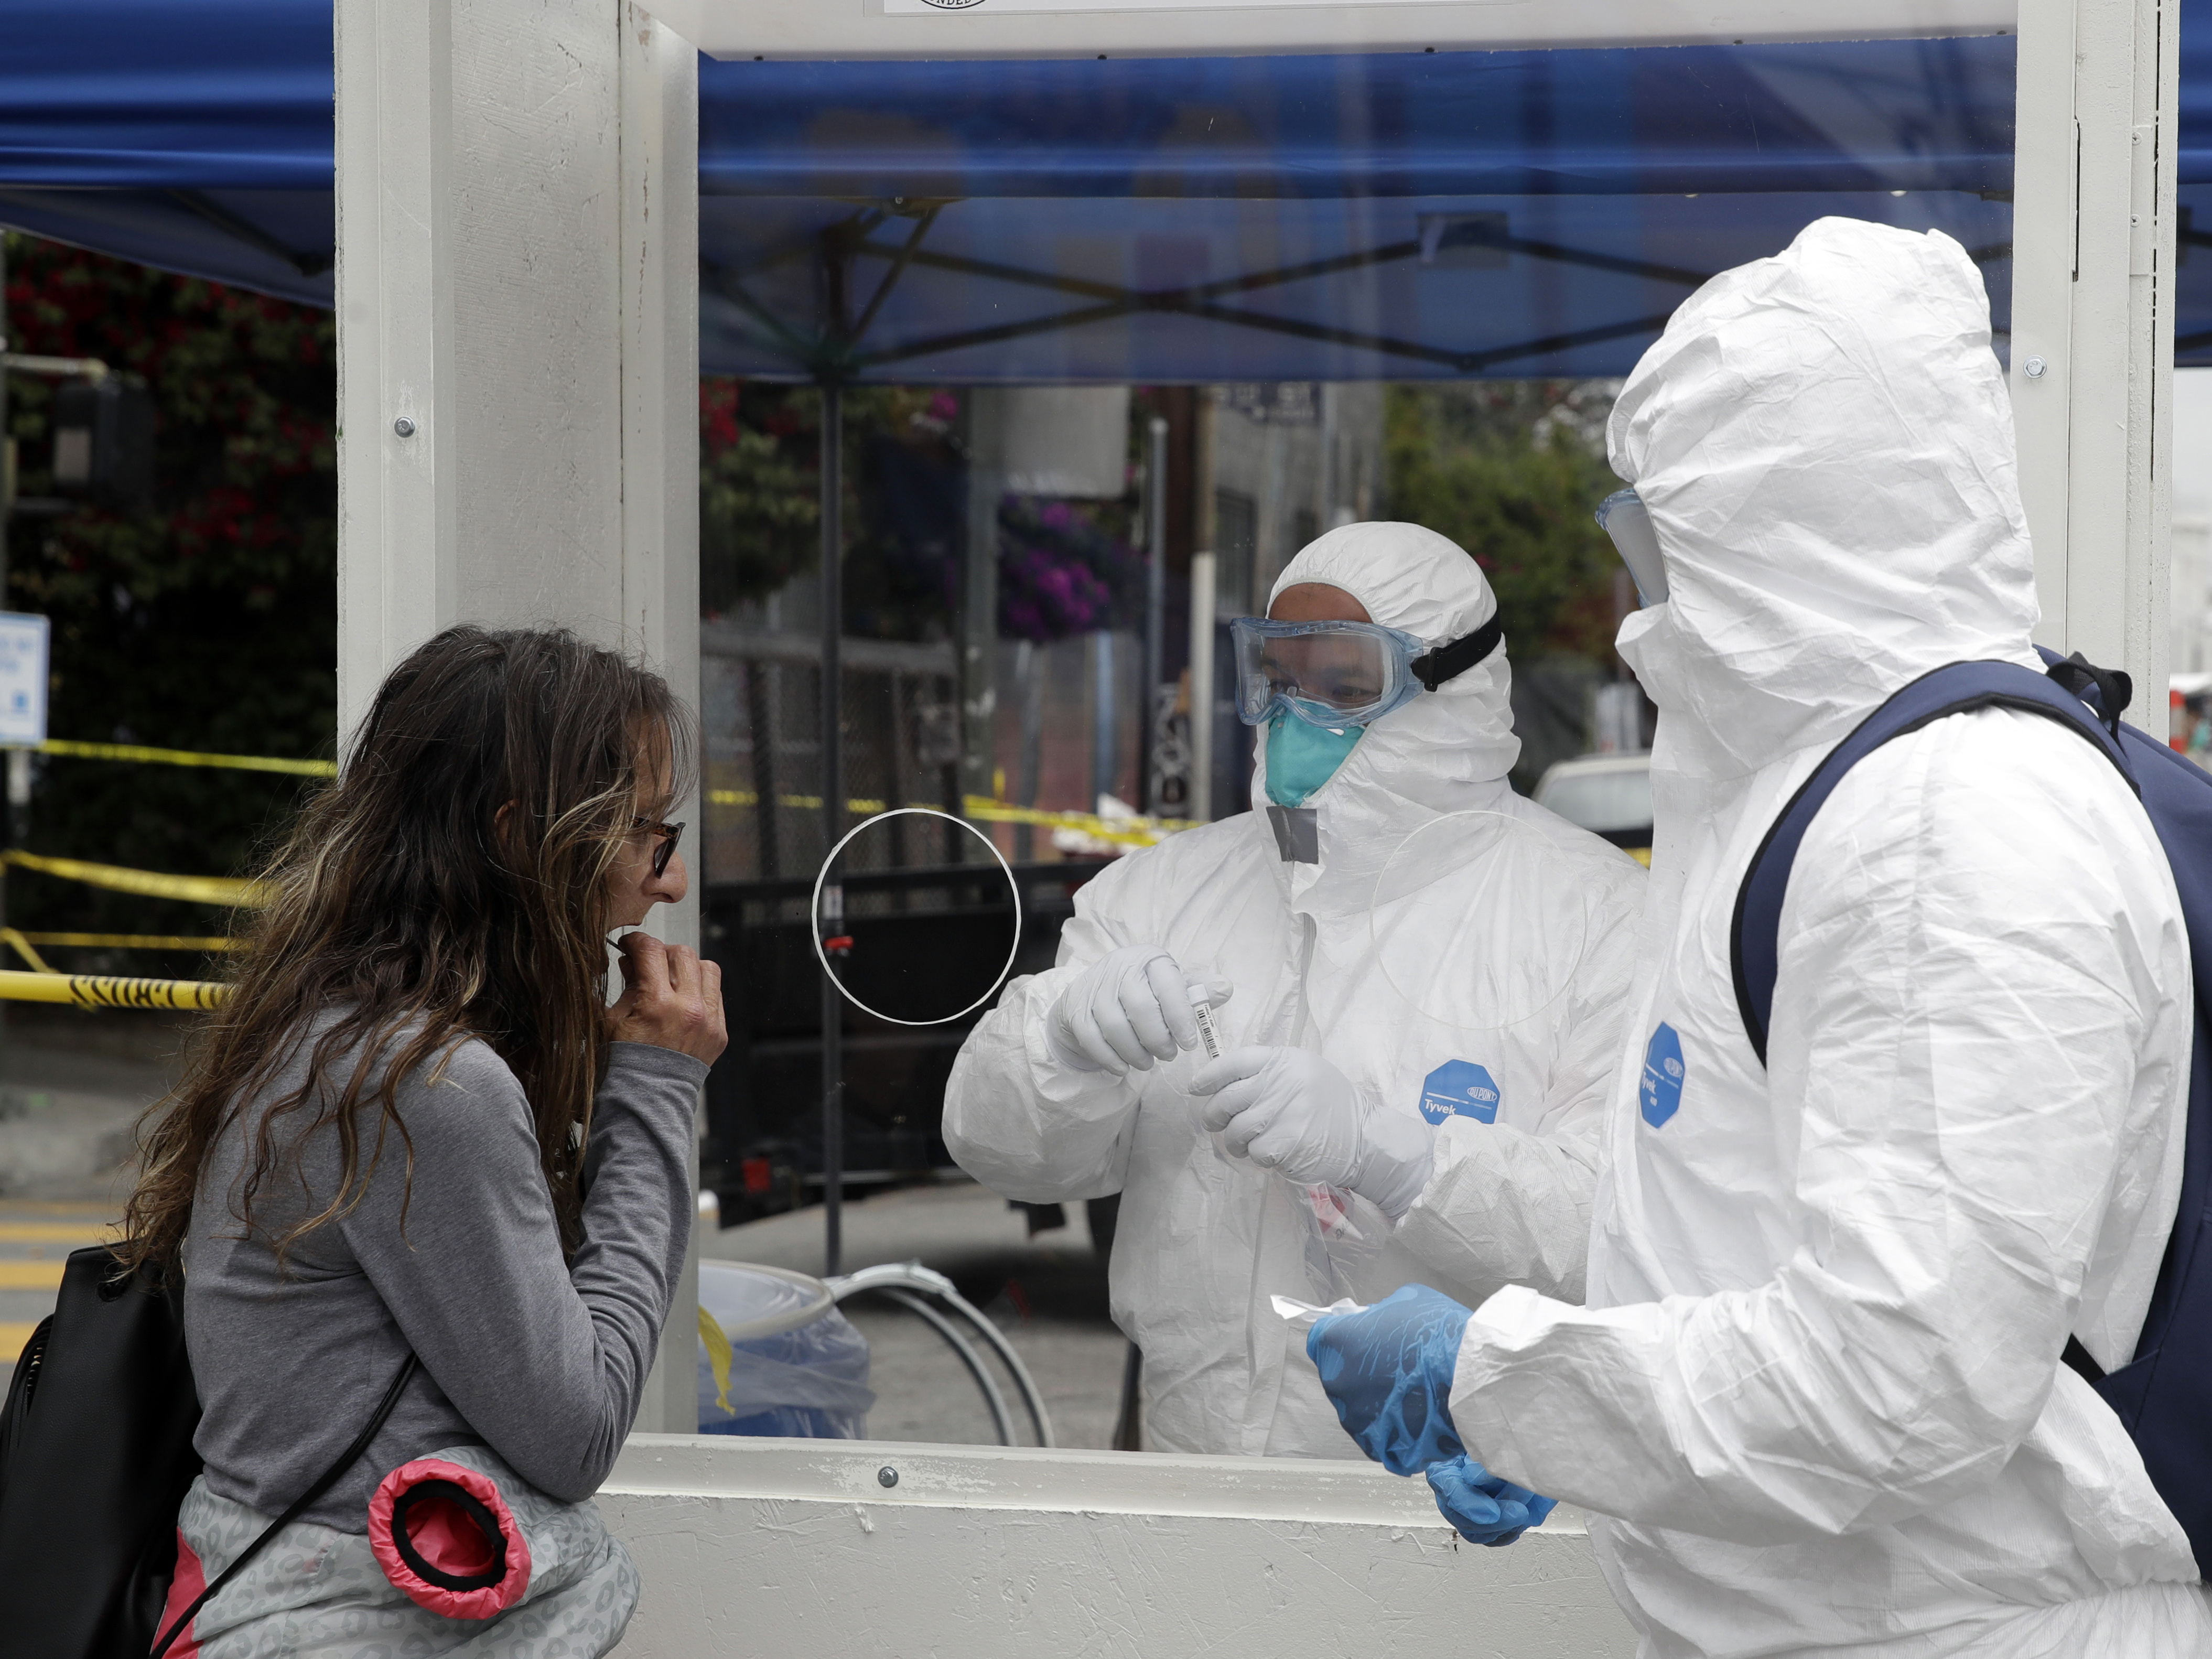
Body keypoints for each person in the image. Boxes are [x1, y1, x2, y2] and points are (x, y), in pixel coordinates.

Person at [1307, 218, 2212, 1651]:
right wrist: (1582, 1430)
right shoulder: (1831, 783)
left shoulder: (1944, 827)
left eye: (1658, 530)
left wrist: (1502, 1375)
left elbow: (1897, 1377)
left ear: (1776, 523)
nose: (1637, 587)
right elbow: (1743, 1238)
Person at [943, 522, 1646, 1458]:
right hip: (1190, 1485)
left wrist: (1394, 1158)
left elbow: (1625, 1229)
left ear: (1453, 690)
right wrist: (1060, 1048)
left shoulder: (1598, 919)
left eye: (1348, 687)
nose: (1298, 715)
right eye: (1280, 679)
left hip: (1459, 1513)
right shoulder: (1161, 894)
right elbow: (1008, 1158)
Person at [118, 626, 726, 1654]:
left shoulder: (343, 1036)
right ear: (521, 841)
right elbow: (577, 1430)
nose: (666, 884)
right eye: (649, 836)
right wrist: (660, 1087)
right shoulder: (425, 1082)